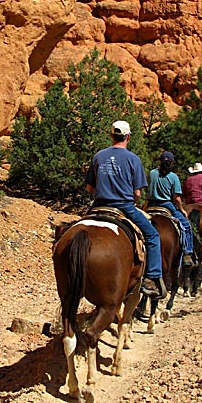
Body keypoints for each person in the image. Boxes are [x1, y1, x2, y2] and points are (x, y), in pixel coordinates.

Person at [85, 121, 167, 300]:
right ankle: (151, 278)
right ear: (128, 137)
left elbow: (90, 189)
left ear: (111, 136)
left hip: (98, 205)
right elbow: (137, 193)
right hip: (124, 207)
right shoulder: (133, 159)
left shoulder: (98, 156)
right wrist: (132, 199)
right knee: (153, 236)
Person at [146, 152, 196, 268]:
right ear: (172, 163)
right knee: (186, 226)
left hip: (151, 204)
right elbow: (177, 198)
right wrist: (182, 209)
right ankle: (187, 253)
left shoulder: (152, 173)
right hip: (166, 204)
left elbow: (148, 189)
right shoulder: (173, 177)